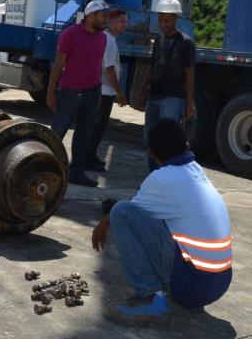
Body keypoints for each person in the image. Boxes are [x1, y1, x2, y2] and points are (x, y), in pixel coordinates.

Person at [92, 118, 232, 319]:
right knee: (155, 217)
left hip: (193, 287)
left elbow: (128, 213)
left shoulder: (161, 179)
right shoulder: (197, 171)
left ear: (150, 152)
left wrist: (104, 222)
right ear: (186, 146)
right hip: (219, 283)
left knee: (120, 211)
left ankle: (150, 296)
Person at [46, 0, 110, 187]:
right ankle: (45, 166)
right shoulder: (70, 34)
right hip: (70, 92)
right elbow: (58, 64)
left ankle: (77, 172)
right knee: (58, 132)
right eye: (103, 16)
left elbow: (97, 65)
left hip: (93, 92)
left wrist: (98, 94)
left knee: (84, 134)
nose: (105, 20)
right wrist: (51, 92)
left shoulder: (102, 38)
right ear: (91, 16)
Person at [139, 0, 196, 172]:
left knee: (167, 143)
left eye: (167, 20)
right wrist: (142, 91)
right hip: (154, 96)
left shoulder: (186, 43)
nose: (163, 24)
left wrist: (189, 103)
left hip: (173, 98)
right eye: (161, 20)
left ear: (176, 18)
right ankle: (153, 176)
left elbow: (189, 74)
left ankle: (166, 176)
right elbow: (153, 66)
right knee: (149, 141)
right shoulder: (159, 40)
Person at [86, 9, 129, 172]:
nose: (125, 25)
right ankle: (88, 158)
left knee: (96, 126)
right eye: (122, 21)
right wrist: (120, 92)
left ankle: (90, 156)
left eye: (126, 22)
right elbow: (109, 69)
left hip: (102, 90)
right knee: (97, 127)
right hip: (104, 91)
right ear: (111, 21)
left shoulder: (107, 38)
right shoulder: (109, 41)